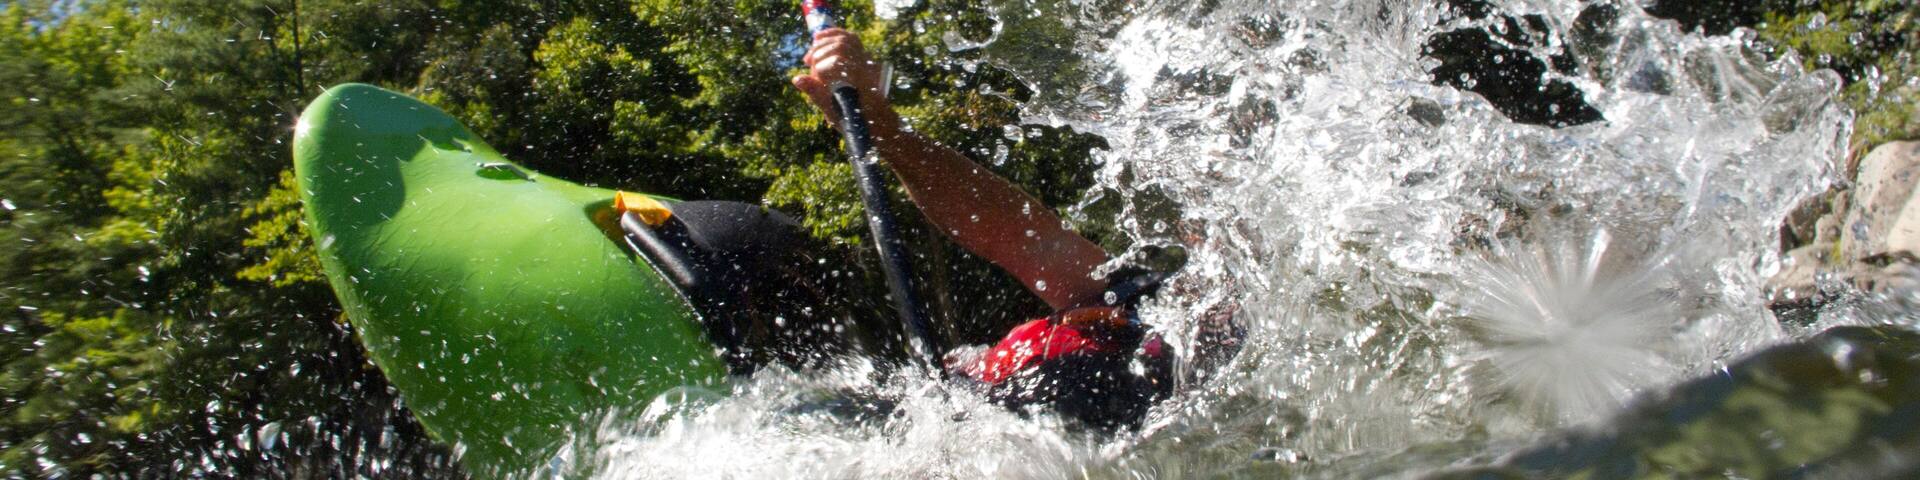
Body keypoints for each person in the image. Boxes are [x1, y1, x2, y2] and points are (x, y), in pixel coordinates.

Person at [783, 27, 1186, 430]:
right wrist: (880, 125)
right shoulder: (1153, 314)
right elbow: (1025, 239)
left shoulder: (1170, 347)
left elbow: (1027, 240)